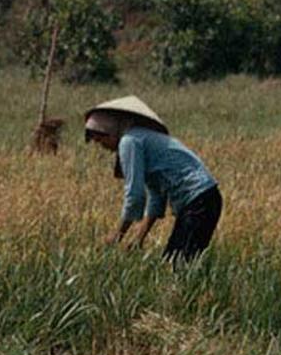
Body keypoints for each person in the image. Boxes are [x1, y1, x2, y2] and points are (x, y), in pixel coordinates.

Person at [83, 95, 222, 262]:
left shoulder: (129, 141)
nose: (102, 147)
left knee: (179, 264)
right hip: (205, 199)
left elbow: (135, 195)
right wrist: (139, 238)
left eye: (100, 140)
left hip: (198, 201)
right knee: (176, 263)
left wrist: (117, 235)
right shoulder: (141, 138)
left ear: (111, 131)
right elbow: (156, 195)